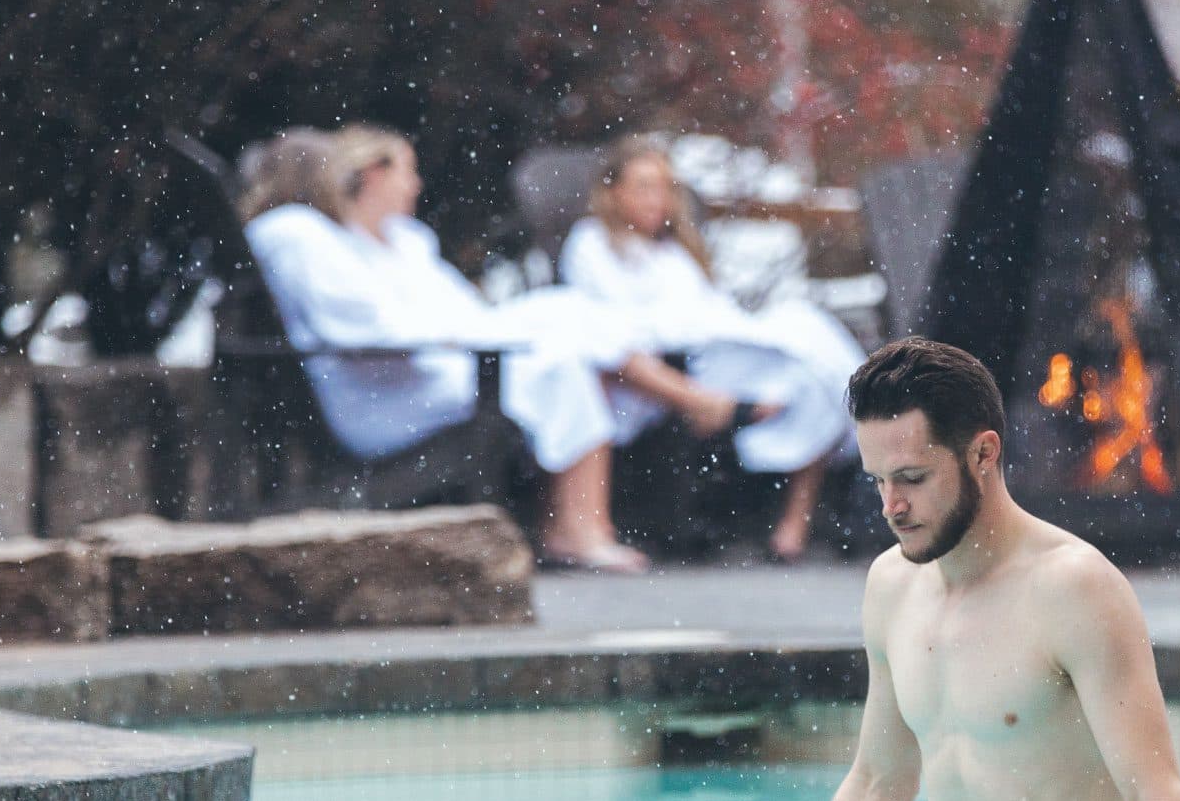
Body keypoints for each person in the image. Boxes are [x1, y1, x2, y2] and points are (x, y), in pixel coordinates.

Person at [759, 337, 1180, 801]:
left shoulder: (1075, 588)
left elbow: (1158, 797)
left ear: (984, 453)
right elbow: (878, 783)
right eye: (878, 481)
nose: (891, 506)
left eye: (912, 478)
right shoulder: (890, 586)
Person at [239, 126, 652, 572]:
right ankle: (578, 528)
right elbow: (368, 326)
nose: (415, 185)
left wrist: (458, 332)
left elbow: (423, 314)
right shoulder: (294, 232)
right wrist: (448, 335)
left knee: (564, 338)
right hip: (387, 399)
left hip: (410, 380)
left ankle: (577, 526)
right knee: (559, 364)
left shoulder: (344, 238)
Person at [561, 136, 863, 562]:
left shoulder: (674, 252)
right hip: (670, 359)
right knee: (797, 362)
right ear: (613, 192)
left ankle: (795, 521)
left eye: (664, 188)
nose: (657, 199)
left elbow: (707, 306)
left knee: (811, 364)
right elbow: (610, 325)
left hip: (715, 342)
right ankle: (721, 408)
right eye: (644, 187)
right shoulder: (591, 243)